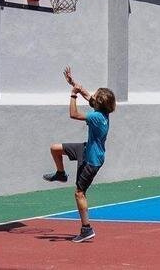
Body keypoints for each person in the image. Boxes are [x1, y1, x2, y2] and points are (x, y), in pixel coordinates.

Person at [43, 66, 116, 243]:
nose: (93, 95)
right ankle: (60, 174)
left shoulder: (97, 117)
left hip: (92, 160)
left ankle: (86, 229)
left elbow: (73, 114)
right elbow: (88, 95)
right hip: (85, 149)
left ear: (99, 102)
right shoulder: (102, 111)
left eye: (96, 94)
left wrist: (73, 94)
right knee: (55, 148)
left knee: (79, 193)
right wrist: (73, 83)